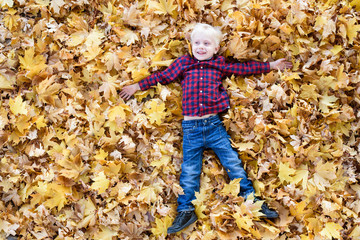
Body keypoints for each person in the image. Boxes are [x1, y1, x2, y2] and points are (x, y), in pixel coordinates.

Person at [120, 23, 292, 234]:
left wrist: (271, 66)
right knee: (190, 172)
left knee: (233, 164)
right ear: (191, 45)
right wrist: (137, 86)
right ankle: (186, 209)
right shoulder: (184, 63)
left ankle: (252, 200)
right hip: (191, 128)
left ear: (216, 48)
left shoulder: (219, 64)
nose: (201, 47)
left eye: (206, 44)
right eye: (197, 43)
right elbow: (162, 77)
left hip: (214, 126)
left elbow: (244, 69)